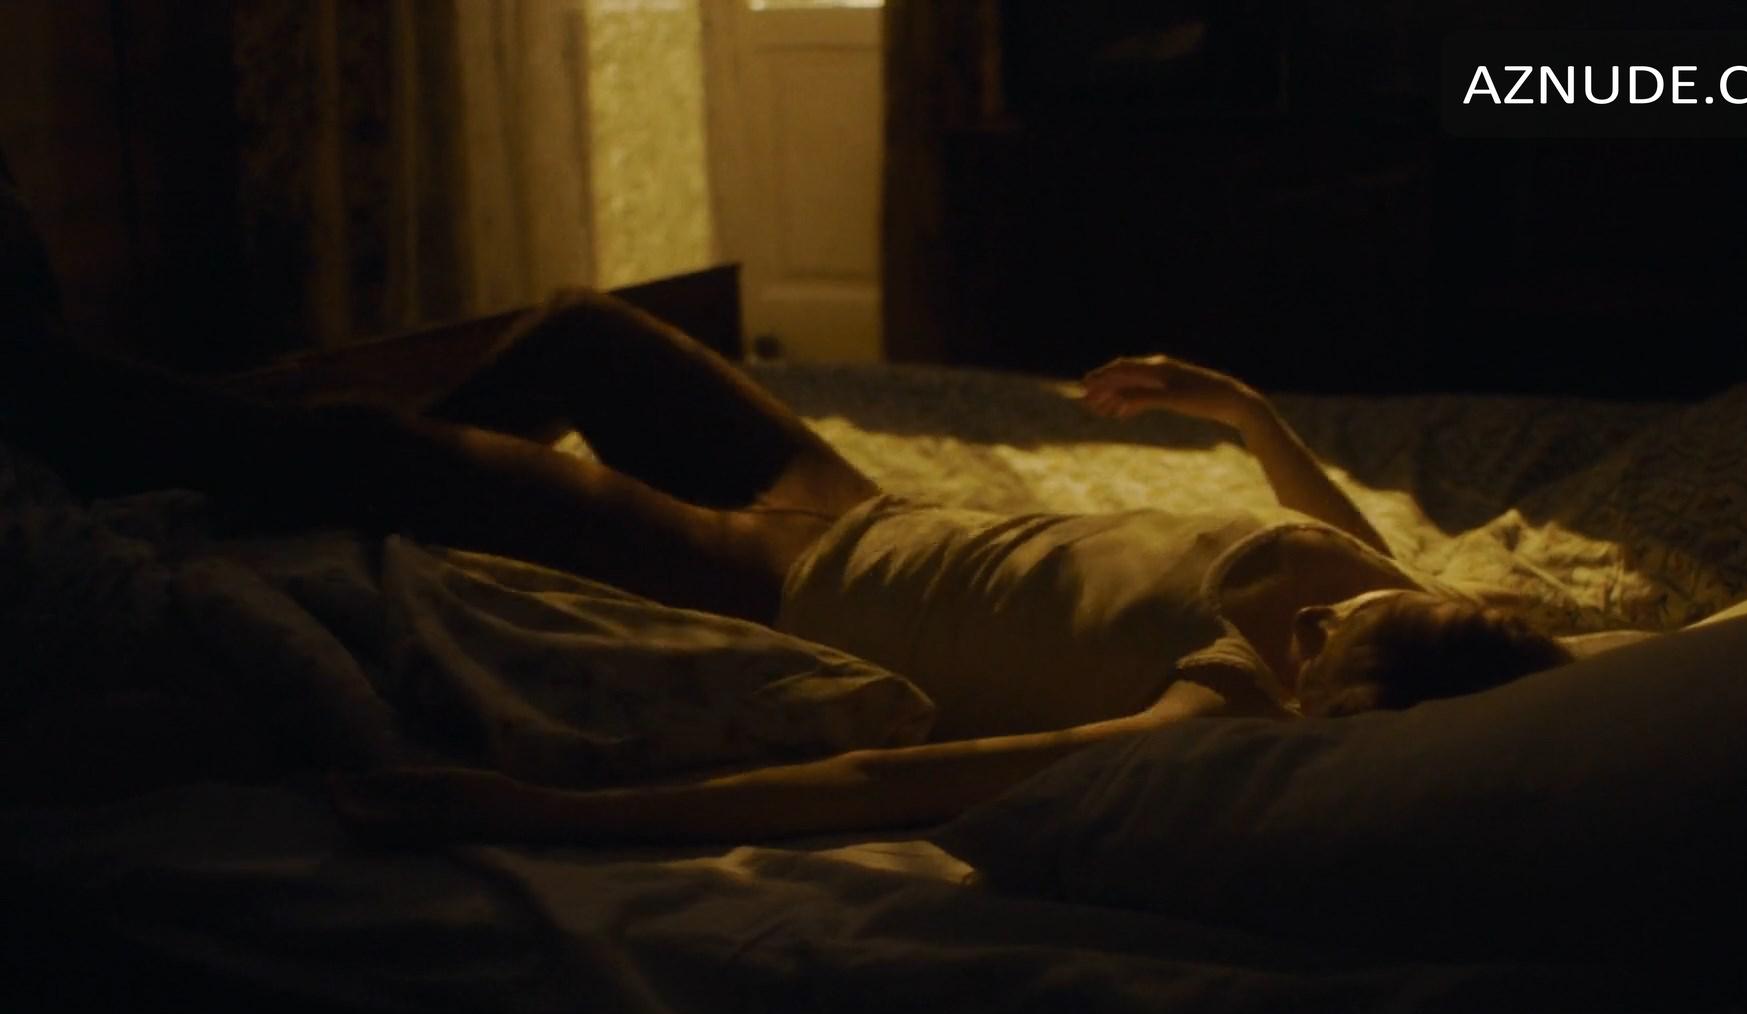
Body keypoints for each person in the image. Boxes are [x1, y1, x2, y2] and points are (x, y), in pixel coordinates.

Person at [3, 287, 1571, 843]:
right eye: (1361, 609)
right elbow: (1328, 525)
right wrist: (1237, 409)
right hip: (861, 505)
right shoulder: (1365, 588)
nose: (1327, 621)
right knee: (584, 335)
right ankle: (267, 473)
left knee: (384, 456)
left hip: (774, 581)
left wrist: (543, 815)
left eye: (1327, 657)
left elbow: (882, 787)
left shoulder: (1229, 704)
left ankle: (68, 402)